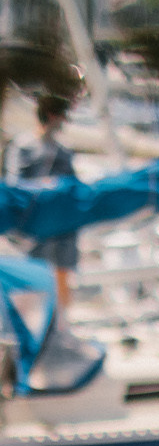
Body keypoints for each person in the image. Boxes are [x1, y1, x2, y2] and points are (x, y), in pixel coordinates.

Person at [7, 98, 80, 312]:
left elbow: (73, 188)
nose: (65, 121)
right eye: (62, 116)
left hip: (61, 231)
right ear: (50, 115)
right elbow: (14, 186)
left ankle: (60, 325)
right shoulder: (23, 147)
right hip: (34, 231)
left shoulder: (64, 152)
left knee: (62, 279)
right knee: (34, 282)